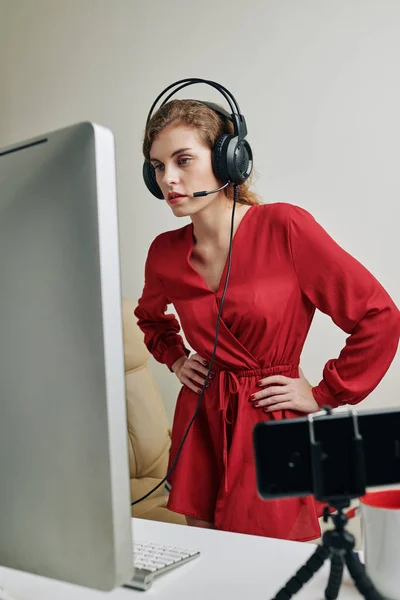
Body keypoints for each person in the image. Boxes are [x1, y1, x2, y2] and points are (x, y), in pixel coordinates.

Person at [134, 97, 400, 541]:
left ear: (228, 160)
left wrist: (323, 393)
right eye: (158, 167)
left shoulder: (285, 228)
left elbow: (379, 316)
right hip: (201, 421)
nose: (169, 180)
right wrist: (178, 360)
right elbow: (150, 319)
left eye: (183, 160)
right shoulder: (164, 251)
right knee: (207, 561)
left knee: (270, 569)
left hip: (270, 421)